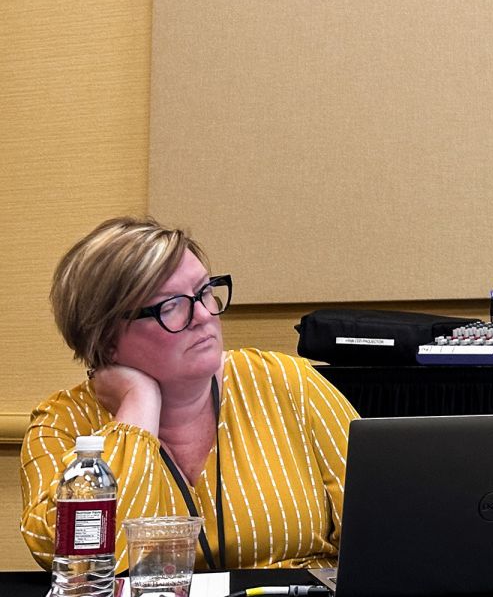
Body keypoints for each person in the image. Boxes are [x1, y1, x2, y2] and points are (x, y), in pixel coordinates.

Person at [20, 217, 360, 572]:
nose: (202, 315)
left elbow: (383, 524)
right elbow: (81, 564)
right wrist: (138, 406)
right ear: (105, 337)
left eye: (203, 292)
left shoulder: (289, 385)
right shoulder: (62, 426)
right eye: (170, 306)